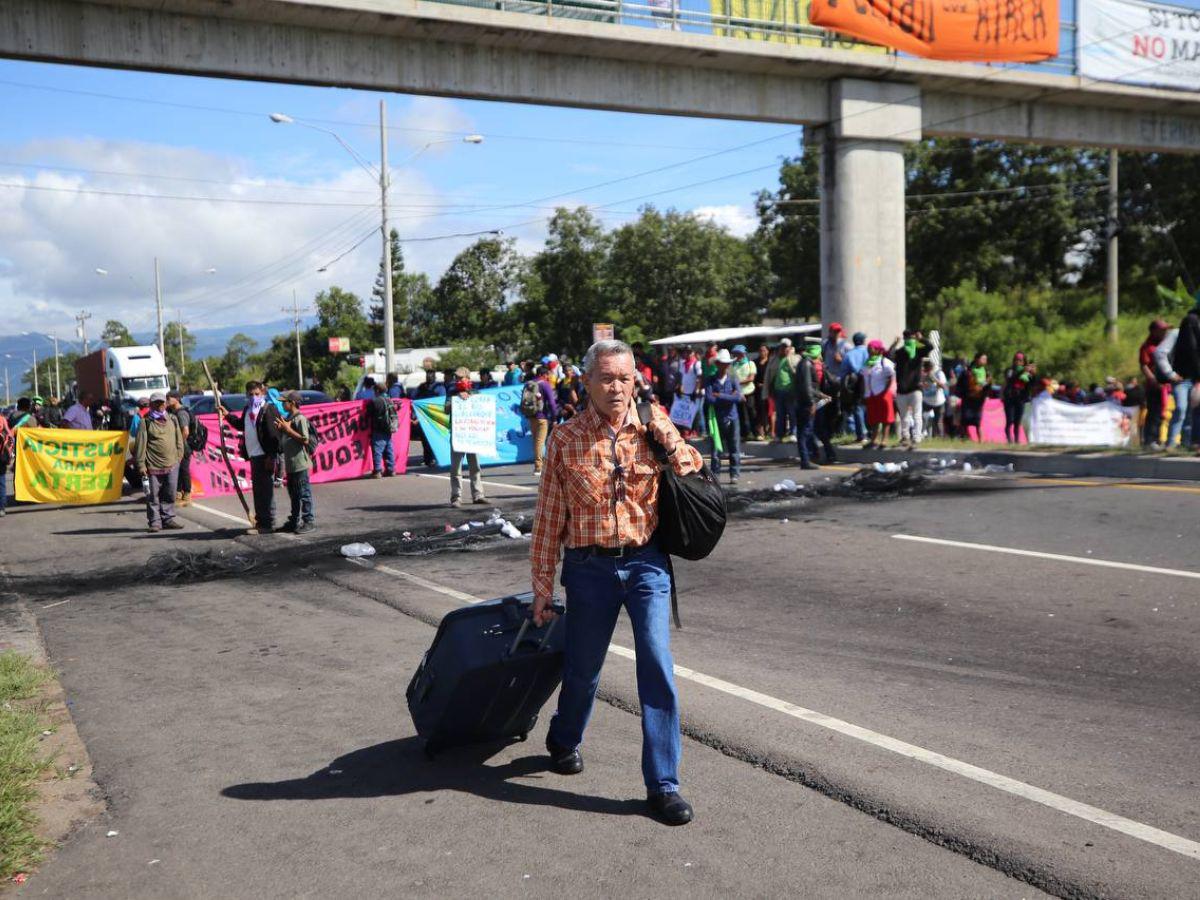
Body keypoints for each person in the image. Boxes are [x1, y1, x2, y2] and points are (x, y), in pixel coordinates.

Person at [530, 339, 703, 827]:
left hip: (647, 564)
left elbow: (693, 468)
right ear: (586, 382)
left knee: (656, 664)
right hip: (589, 569)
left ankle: (664, 784)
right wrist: (543, 587)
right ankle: (565, 737)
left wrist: (662, 429)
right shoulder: (563, 440)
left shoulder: (650, 424)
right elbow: (547, 521)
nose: (616, 388)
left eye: (625, 378)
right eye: (606, 378)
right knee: (583, 669)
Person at [219, 381, 282, 534]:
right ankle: (261, 521)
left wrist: (271, 456)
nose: (254, 397)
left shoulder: (268, 409)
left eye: (257, 394)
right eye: (251, 394)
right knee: (258, 490)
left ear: (263, 394)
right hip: (254, 455)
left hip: (264, 456)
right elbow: (241, 425)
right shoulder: (248, 409)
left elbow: (274, 435)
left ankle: (268, 523)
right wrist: (227, 415)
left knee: (266, 490)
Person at [133, 393, 185, 533]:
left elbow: (179, 440)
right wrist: (141, 464)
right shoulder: (146, 422)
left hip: (172, 464)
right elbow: (140, 445)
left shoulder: (172, 419)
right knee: (153, 496)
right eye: (156, 403)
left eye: (162, 402)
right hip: (152, 466)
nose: (159, 405)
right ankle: (155, 522)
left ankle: (167, 519)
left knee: (170, 493)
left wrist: (179, 456)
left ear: (165, 404)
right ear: (151, 404)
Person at [1153, 301, 1200, 450]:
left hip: (1196, 379)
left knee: (1192, 414)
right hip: (1181, 379)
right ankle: (1171, 442)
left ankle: (1187, 443)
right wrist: (1170, 374)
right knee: (1181, 408)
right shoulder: (1177, 334)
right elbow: (1160, 352)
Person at [274, 391, 315, 533]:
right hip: (291, 464)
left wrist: (287, 430)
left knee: (304, 493)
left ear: (292, 403)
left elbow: (305, 439)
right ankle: (294, 521)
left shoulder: (300, 419)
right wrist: (283, 429)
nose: (282, 404)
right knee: (294, 494)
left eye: (284, 402)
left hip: (300, 464)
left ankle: (308, 520)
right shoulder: (289, 418)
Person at [445, 376, 487, 507]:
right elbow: (446, 409)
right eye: (459, 379)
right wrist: (457, 398)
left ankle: (478, 494)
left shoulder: (476, 393)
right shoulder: (451, 393)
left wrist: (470, 397)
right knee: (456, 467)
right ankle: (456, 497)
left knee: (475, 466)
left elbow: (484, 407)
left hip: (472, 434)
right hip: (458, 434)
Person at [704, 349, 743, 483]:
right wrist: (729, 397)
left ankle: (735, 474)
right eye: (722, 363)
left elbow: (738, 397)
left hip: (732, 417)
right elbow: (709, 399)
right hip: (716, 419)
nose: (724, 365)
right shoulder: (710, 380)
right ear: (718, 364)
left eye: (727, 363)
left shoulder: (732, 379)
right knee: (715, 450)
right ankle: (715, 475)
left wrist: (720, 395)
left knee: (734, 448)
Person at [890, 330, 932, 449]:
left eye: (911, 337)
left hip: (915, 388)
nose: (909, 340)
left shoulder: (918, 351)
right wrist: (894, 344)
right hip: (902, 389)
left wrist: (921, 339)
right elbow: (889, 355)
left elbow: (930, 346)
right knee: (904, 416)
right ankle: (905, 437)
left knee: (916, 414)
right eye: (907, 337)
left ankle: (916, 437)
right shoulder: (901, 352)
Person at [522, 366, 558, 475]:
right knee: (540, 442)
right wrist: (554, 417)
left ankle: (540, 465)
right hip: (542, 417)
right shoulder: (545, 384)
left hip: (531, 416)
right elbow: (552, 402)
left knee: (536, 441)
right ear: (544, 374)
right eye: (548, 375)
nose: (549, 377)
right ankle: (538, 467)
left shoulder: (528, 384)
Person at [1139, 319, 1170, 449]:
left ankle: (1158, 439)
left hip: (1166, 385)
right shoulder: (1147, 347)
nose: (1165, 332)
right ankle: (1149, 440)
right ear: (1153, 331)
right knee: (1154, 413)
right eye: (1162, 330)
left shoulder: (1165, 345)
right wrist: (1153, 380)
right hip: (1154, 386)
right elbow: (1144, 365)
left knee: (1163, 413)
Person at [794, 341, 824, 469]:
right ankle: (805, 460)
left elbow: (809, 386)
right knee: (805, 432)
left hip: (802, 401)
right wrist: (812, 403)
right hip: (806, 403)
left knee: (804, 431)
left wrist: (821, 395)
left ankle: (808, 458)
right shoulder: (807, 363)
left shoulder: (803, 363)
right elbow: (807, 386)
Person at [861, 339, 896, 449]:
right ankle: (874, 440)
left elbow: (891, 377)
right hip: (870, 394)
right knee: (873, 418)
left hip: (882, 393)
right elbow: (863, 378)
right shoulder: (866, 363)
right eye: (868, 347)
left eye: (871, 347)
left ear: (878, 350)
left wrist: (885, 390)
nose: (868, 349)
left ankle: (884, 440)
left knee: (885, 418)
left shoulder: (884, 362)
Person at [166, 391, 194, 507]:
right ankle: (178, 493)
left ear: (177, 399)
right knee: (177, 469)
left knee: (183, 470)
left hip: (183, 446)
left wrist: (179, 444)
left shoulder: (181, 413)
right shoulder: (172, 411)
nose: (167, 400)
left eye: (169, 398)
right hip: (178, 446)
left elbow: (185, 431)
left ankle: (187, 494)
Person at [767, 338, 799, 442]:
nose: (784, 349)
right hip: (778, 391)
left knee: (792, 413)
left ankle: (794, 433)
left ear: (790, 348)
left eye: (786, 347)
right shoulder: (774, 359)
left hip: (791, 390)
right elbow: (769, 376)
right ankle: (779, 435)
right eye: (782, 347)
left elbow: (797, 374)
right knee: (780, 415)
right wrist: (769, 390)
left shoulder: (795, 359)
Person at [840, 332, 869, 441]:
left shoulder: (849, 354)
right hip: (869, 382)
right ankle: (870, 432)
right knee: (868, 407)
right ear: (863, 341)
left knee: (858, 408)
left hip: (855, 384)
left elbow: (843, 372)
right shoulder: (868, 352)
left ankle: (862, 434)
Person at [413, 369, 445, 468]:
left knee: (434, 438)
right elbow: (414, 397)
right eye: (428, 375)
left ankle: (435, 458)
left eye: (431, 375)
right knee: (424, 438)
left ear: (434, 376)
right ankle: (427, 459)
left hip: (434, 416)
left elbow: (441, 400)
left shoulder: (439, 388)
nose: (429, 377)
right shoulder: (422, 387)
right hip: (423, 416)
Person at [1002, 352, 1034, 444]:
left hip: (1021, 398)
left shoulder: (1027, 373)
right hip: (1010, 398)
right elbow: (1011, 378)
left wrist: (1032, 373)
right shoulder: (1010, 370)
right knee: (1010, 420)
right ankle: (1009, 440)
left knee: (1017, 421)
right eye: (1016, 359)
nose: (1018, 362)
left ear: (1024, 361)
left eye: (1020, 360)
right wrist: (1022, 371)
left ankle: (1016, 440)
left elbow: (1031, 384)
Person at [368, 382, 398, 478]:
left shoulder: (375, 401)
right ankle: (391, 470)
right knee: (389, 449)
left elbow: (369, 414)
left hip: (379, 429)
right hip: (389, 428)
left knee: (377, 450)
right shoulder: (389, 400)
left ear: (377, 390)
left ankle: (377, 471)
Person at [959, 353, 989, 443]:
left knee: (978, 420)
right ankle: (964, 438)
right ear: (976, 359)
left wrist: (985, 387)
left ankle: (980, 440)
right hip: (968, 398)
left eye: (985, 359)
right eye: (983, 359)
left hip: (979, 399)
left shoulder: (986, 371)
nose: (985, 361)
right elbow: (961, 383)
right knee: (965, 419)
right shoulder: (968, 371)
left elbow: (988, 384)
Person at [730, 345, 756, 442]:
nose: (737, 355)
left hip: (749, 392)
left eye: (739, 353)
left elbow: (751, 378)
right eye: (736, 353)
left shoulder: (750, 363)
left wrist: (738, 382)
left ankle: (754, 432)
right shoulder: (733, 365)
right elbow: (731, 378)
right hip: (737, 393)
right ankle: (744, 434)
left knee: (751, 412)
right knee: (741, 414)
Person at [920, 360, 947, 439]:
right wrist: (923, 380)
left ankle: (939, 437)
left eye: (927, 368)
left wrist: (934, 379)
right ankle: (920, 434)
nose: (925, 370)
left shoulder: (939, 373)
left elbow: (944, 386)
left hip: (939, 401)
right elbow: (920, 384)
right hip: (926, 401)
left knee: (938, 421)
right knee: (920, 417)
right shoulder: (922, 374)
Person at [752, 343, 772, 439]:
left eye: (764, 350)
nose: (762, 352)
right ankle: (760, 432)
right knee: (759, 411)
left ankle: (769, 430)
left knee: (768, 410)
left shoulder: (771, 362)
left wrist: (766, 385)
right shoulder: (755, 362)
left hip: (769, 390)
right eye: (760, 350)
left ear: (768, 351)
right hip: (757, 390)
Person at [0, 413, 13, 517]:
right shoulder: (2, 419)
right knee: (1, 482)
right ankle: (2, 508)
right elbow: (10, 435)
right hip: (1, 455)